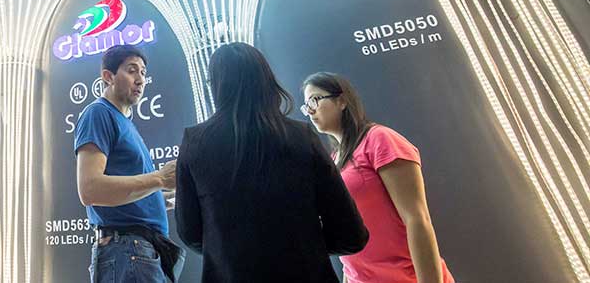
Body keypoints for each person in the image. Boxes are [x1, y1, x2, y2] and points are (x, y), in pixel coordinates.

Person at [175, 42, 368, 282]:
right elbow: (351, 233)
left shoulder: (194, 142)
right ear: (267, 80)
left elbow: (190, 232)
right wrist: (306, 244)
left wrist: (230, 249)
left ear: (215, 85)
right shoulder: (302, 137)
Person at [302, 72, 454, 283]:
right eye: (306, 105)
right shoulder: (335, 159)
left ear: (342, 101)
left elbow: (417, 219)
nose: (310, 110)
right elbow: (350, 247)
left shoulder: (379, 139)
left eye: (315, 100)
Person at [75, 44, 184, 282]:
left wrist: (164, 198)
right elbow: (90, 189)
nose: (140, 79)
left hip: (140, 252)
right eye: (132, 70)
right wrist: (160, 178)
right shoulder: (98, 113)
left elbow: (126, 191)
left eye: (143, 73)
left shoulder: (125, 122)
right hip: (128, 251)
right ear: (108, 76)